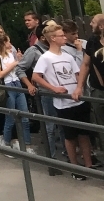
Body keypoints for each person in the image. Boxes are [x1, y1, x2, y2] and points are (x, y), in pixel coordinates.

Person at [33, 22, 94, 179]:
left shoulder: (67, 56)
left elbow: (77, 73)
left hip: (78, 99)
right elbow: (35, 76)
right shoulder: (46, 57)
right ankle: (75, 168)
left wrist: (79, 88)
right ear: (53, 38)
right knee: (70, 136)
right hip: (64, 103)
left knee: (84, 134)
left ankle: (89, 166)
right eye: (61, 35)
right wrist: (53, 88)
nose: (64, 37)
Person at [20, 21, 64, 160]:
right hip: (46, 93)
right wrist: (29, 85)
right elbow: (20, 69)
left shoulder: (57, 49)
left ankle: (66, 153)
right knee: (50, 125)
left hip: (60, 91)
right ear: (45, 37)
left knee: (63, 123)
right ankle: (51, 158)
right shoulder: (34, 51)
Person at [0, 28, 34, 152]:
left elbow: (17, 67)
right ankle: (6, 143)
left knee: (24, 116)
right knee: (10, 117)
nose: (10, 44)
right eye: (8, 42)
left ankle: (28, 144)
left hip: (17, 83)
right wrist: (13, 64)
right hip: (7, 86)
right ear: (3, 43)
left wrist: (19, 60)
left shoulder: (11, 54)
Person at [76, 14, 104, 163]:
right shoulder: (92, 41)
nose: (91, 25)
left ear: (101, 26)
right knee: (101, 124)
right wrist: (79, 87)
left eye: (93, 23)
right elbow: (86, 64)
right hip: (98, 89)